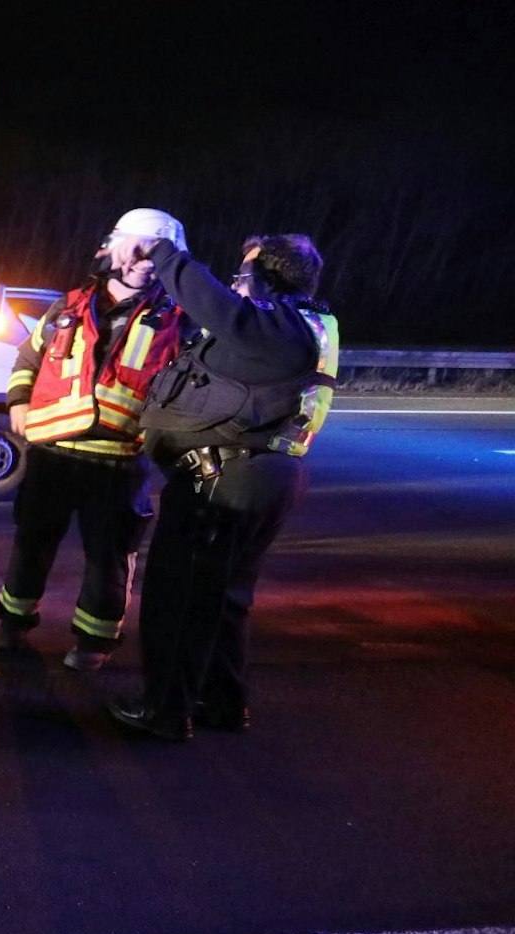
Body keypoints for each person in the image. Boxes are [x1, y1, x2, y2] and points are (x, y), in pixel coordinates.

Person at [105, 233, 339, 741]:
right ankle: (220, 701)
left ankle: (164, 712)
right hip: (251, 475)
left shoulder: (279, 328)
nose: (235, 283)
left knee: (180, 598)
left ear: (271, 278)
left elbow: (220, 308)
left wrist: (163, 252)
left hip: (223, 482)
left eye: (244, 273)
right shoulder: (292, 329)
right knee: (223, 599)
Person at [0, 209, 189, 671]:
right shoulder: (69, 307)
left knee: (109, 559)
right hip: (52, 453)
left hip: (118, 461)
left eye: (158, 254)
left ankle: (93, 644)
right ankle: (12, 622)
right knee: (31, 544)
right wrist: (18, 401)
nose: (145, 263)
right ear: (115, 248)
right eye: (139, 250)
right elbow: (28, 359)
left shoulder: (179, 320)